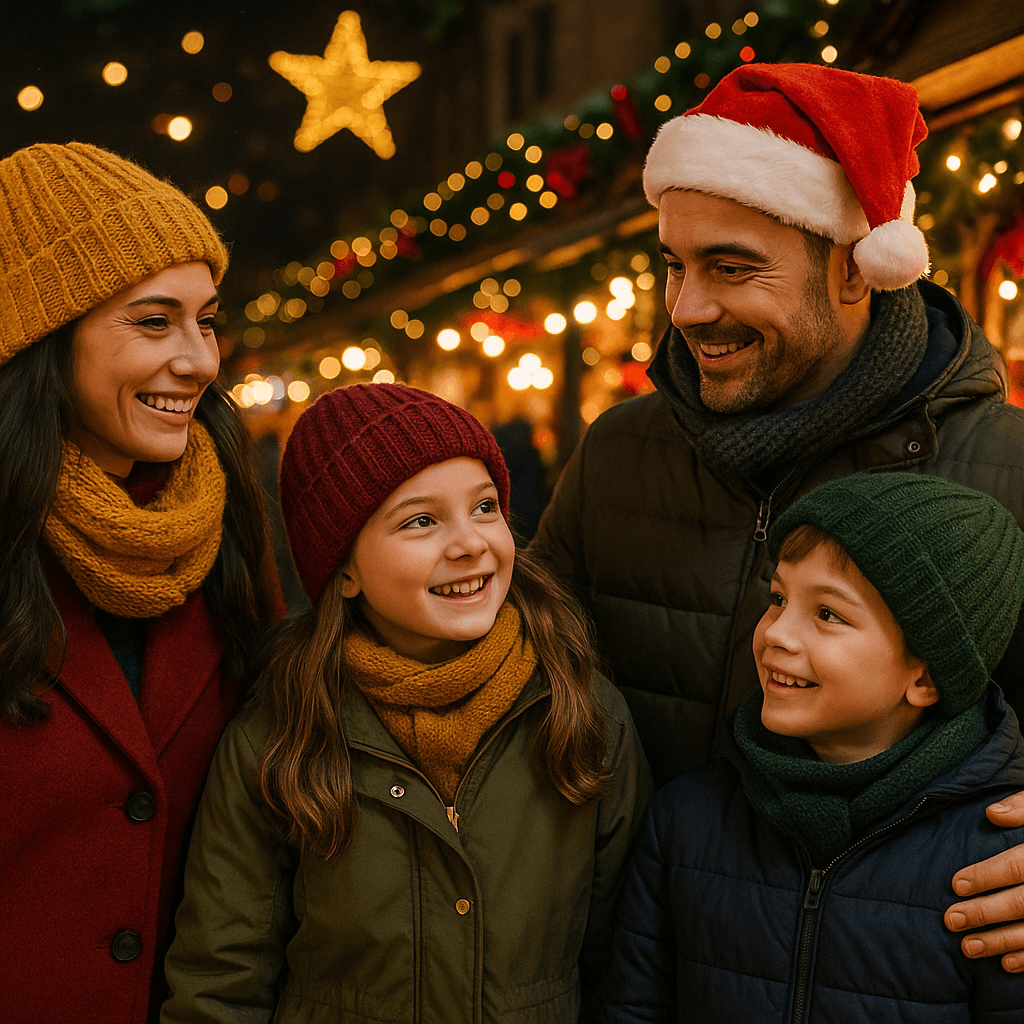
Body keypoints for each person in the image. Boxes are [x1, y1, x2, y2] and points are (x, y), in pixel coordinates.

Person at [531, 61, 1024, 968]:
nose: (687, 308)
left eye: (732, 268)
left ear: (853, 266)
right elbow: (519, 667)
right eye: (675, 266)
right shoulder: (620, 451)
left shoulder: (1005, 469)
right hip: (629, 972)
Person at [160, 383, 651, 1024]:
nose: (470, 543)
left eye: (484, 508)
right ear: (344, 569)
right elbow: (219, 983)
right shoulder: (280, 739)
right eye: (421, 520)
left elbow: (626, 968)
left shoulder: (582, 716)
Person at [0, 142, 279, 1023]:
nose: (200, 361)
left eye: (206, 321)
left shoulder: (227, 517)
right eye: (155, 322)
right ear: (44, 337)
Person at [600, 472, 1024, 1022]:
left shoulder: (999, 862)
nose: (776, 632)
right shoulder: (686, 821)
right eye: (777, 598)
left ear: (926, 676)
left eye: (828, 614)